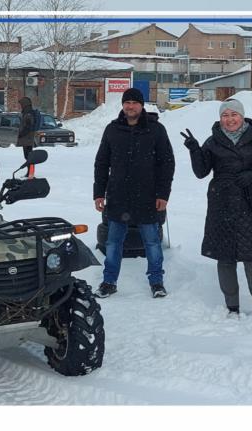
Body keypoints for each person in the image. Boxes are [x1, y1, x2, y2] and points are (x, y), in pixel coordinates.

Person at [184, 99, 252, 318]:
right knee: (225, 256)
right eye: (225, 115)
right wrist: (195, 150)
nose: (230, 119)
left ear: (242, 117)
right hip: (221, 202)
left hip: (249, 201)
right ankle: (232, 305)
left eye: (234, 115)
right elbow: (201, 172)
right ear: (220, 119)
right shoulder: (213, 141)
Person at [92, 88, 176, 298]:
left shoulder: (156, 130)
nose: (130, 106)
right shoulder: (113, 130)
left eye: (134, 103)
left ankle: (156, 282)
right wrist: (98, 193)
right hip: (118, 197)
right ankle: (109, 282)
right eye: (126, 102)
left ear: (142, 105)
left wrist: (163, 194)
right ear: (123, 105)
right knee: (113, 243)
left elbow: (167, 164)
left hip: (148, 197)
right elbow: (101, 163)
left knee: (152, 242)